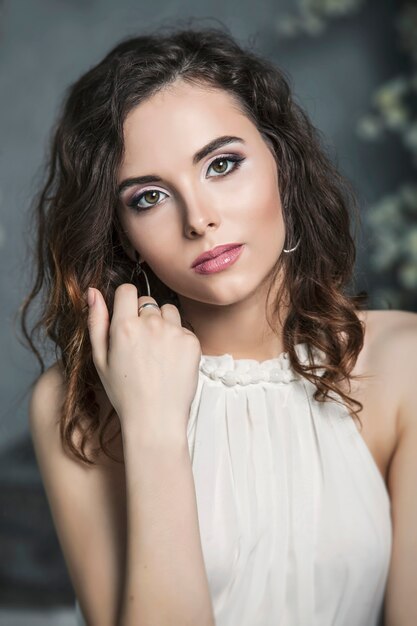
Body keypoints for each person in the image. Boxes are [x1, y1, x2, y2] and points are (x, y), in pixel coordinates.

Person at [21, 23, 417, 626]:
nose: (199, 218)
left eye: (222, 164)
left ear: (282, 162)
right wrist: (153, 426)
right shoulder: (73, 403)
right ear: (122, 236)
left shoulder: (401, 363)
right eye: (149, 197)